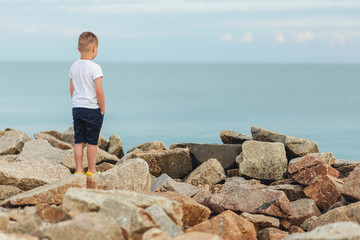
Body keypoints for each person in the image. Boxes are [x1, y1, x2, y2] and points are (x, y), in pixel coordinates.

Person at [69, 32, 105, 176]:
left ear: (78, 48)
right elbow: (99, 91)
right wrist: (102, 108)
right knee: (92, 142)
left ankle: (78, 170)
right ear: (94, 49)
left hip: (77, 108)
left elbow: (71, 88)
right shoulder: (95, 68)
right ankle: (91, 170)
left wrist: (76, 101)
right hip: (92, 109)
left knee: (79, 140)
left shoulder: (74, 66)